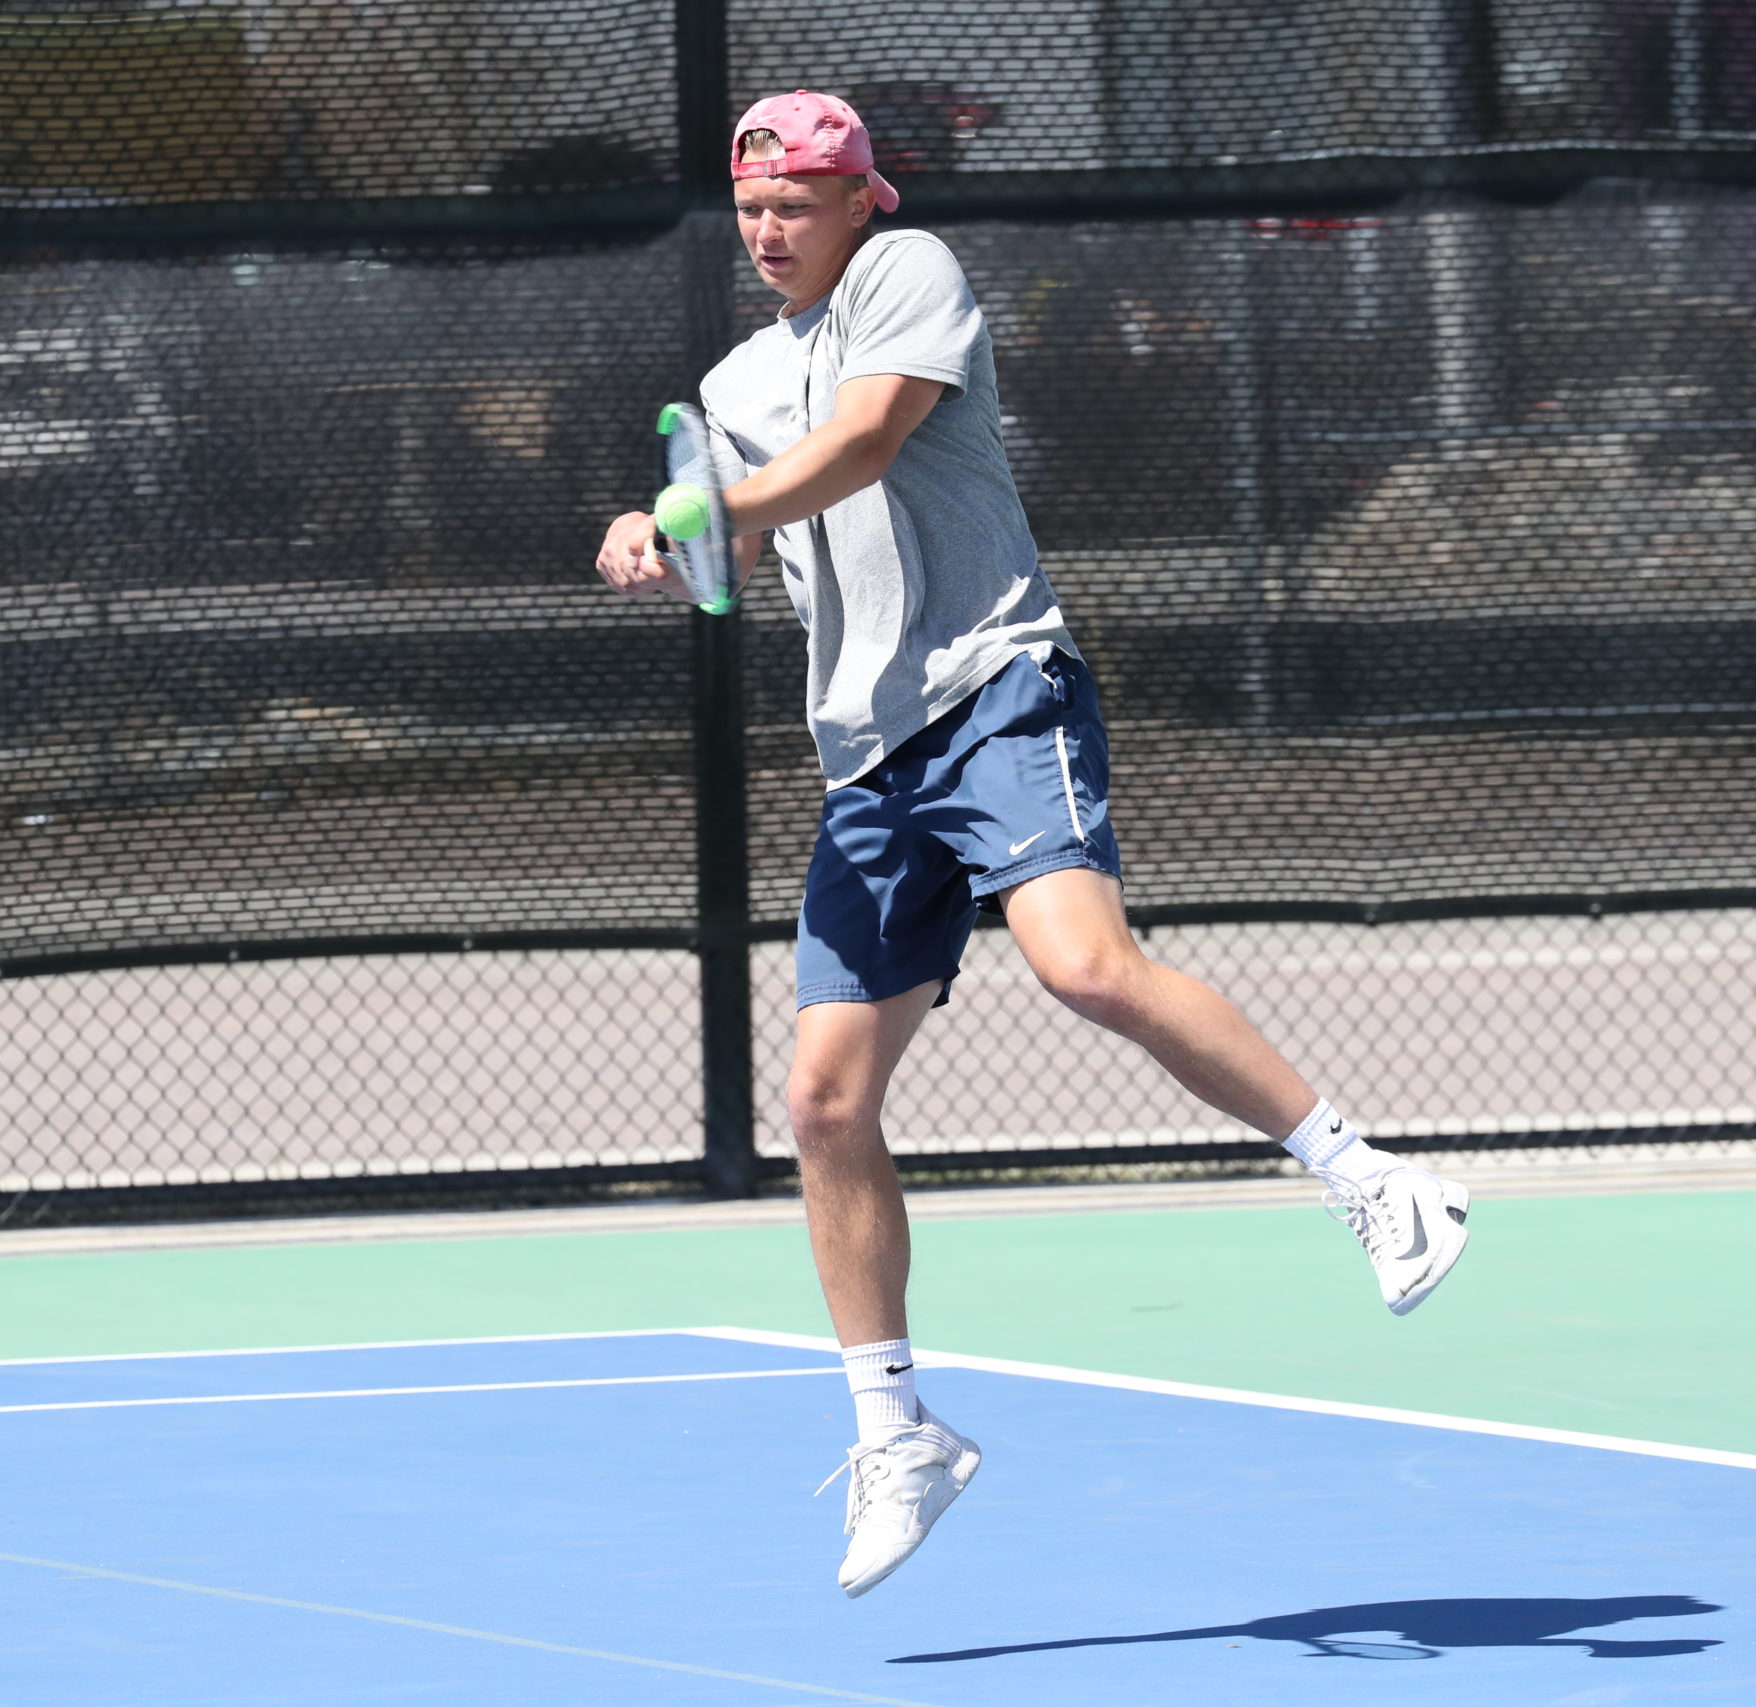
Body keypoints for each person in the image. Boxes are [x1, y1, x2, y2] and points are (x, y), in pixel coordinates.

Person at [592, 90, 1472, 1599]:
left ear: (859, 199)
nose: (768, 229)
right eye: (750, 206)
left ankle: (1375, 1179)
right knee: (820, 1098)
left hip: (996, 688)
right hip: (866, 755)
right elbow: (726, 538)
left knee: (1085, 967)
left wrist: (716, 498)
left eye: (796, 202)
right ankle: (898, 1432)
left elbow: (864, 444)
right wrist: (656, 530)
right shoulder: (737, 377)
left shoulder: (908, 273)